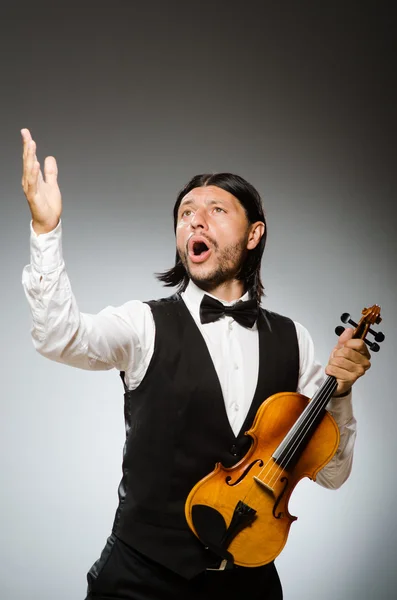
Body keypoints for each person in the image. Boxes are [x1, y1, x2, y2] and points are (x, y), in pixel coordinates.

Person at [21, 128, 371, 600]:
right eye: (185, 213)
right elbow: (59, 337)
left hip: (250, 584)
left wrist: (342, 394)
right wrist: (46, 232)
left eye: (215, 210)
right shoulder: (143, 323)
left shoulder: (297, 341)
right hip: (139, 578)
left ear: (254, 234)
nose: (195, 221)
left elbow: (331, 474)